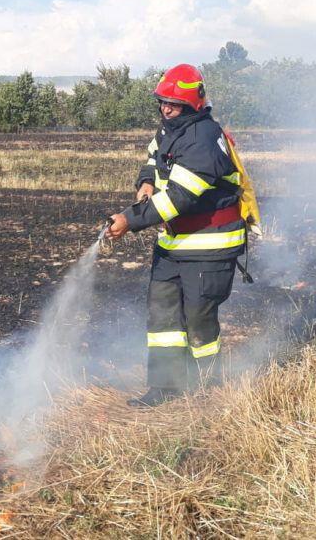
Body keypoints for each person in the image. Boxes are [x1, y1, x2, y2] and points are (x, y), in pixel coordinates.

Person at [105, 63, 248, 407]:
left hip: (209, 244)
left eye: (174, 104)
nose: (166, 109)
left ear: (194, 104)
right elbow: (154, 160)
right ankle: (165, 388)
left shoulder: (203, 138)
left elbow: (180, 198)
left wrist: (129, 219)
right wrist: (146, 183)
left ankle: (206, 388)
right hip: (172, 245)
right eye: (162, 102)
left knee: (198, 318)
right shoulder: (170, 128)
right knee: (164, 319)